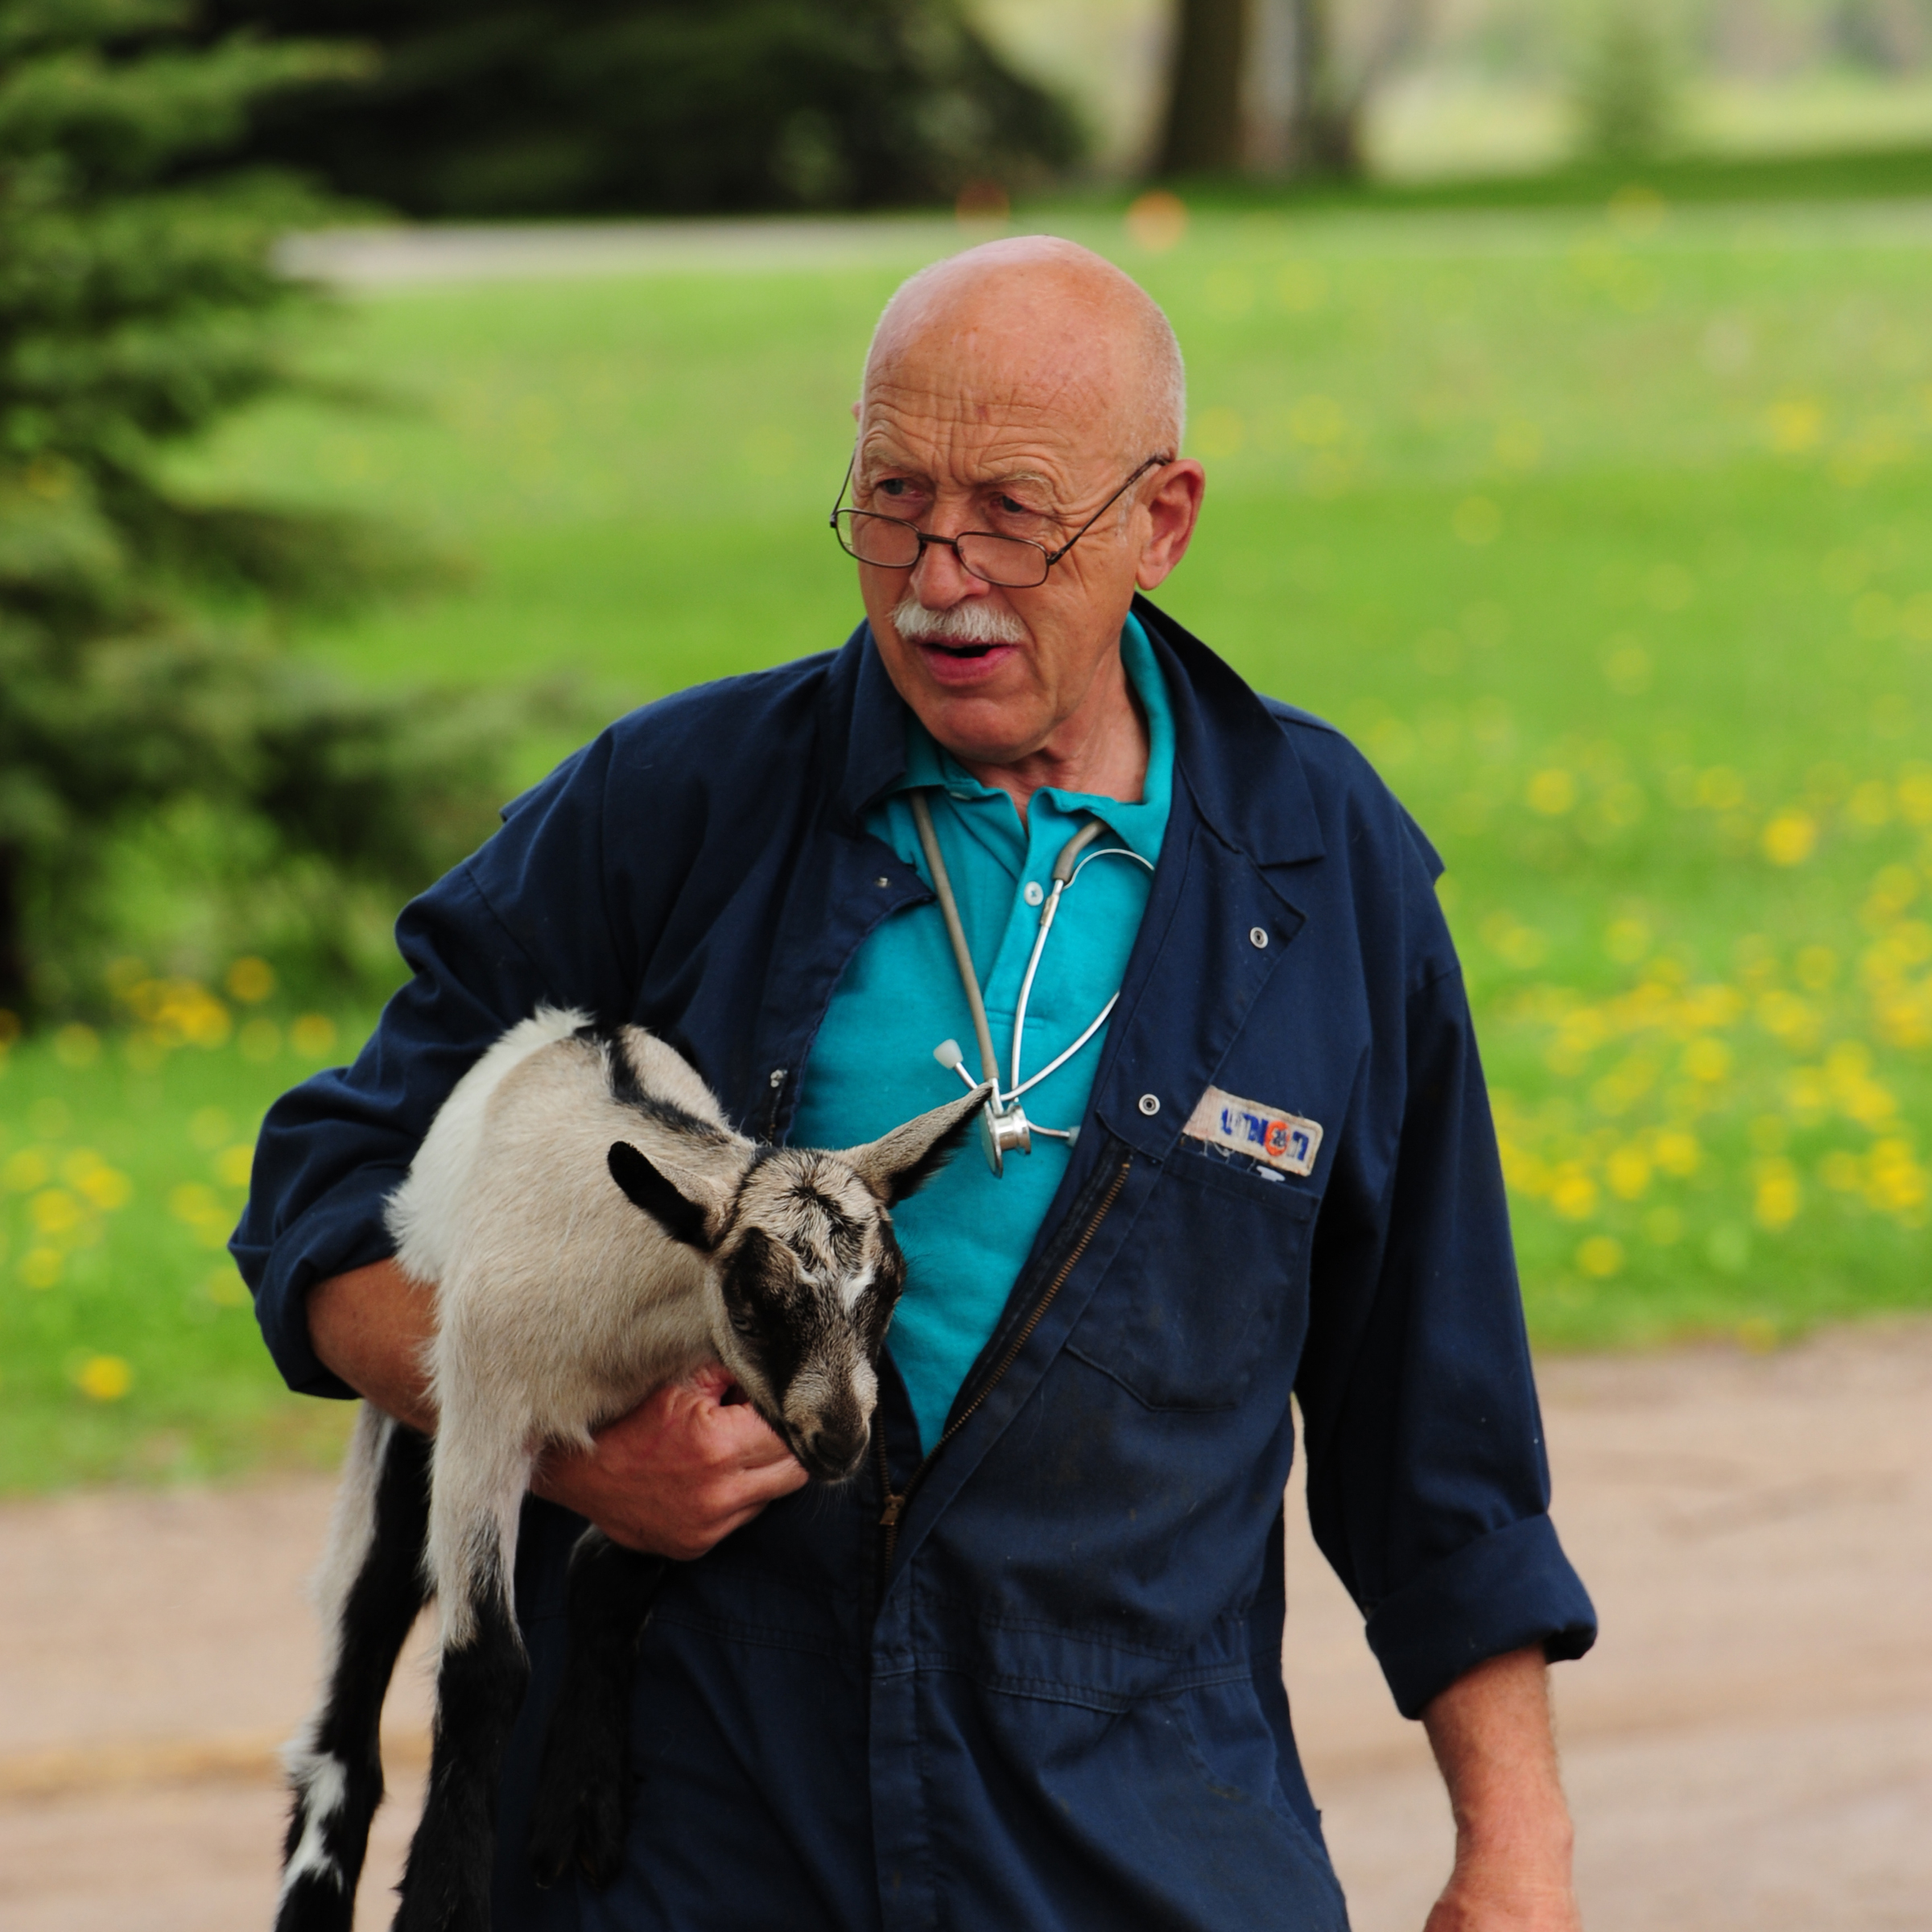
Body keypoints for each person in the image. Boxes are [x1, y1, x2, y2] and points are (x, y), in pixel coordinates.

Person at [236, 236, 1595, 1931]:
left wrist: (1517, 1851)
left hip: (1135, 1841)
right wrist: (571, 1453)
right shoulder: (673, 809)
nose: (940, 579)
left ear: (1162, 522)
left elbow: (1434, 1419)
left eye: (1014, 514)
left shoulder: (1323, 870)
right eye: (892, 500)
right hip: (680, 1835)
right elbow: (322, 1208)